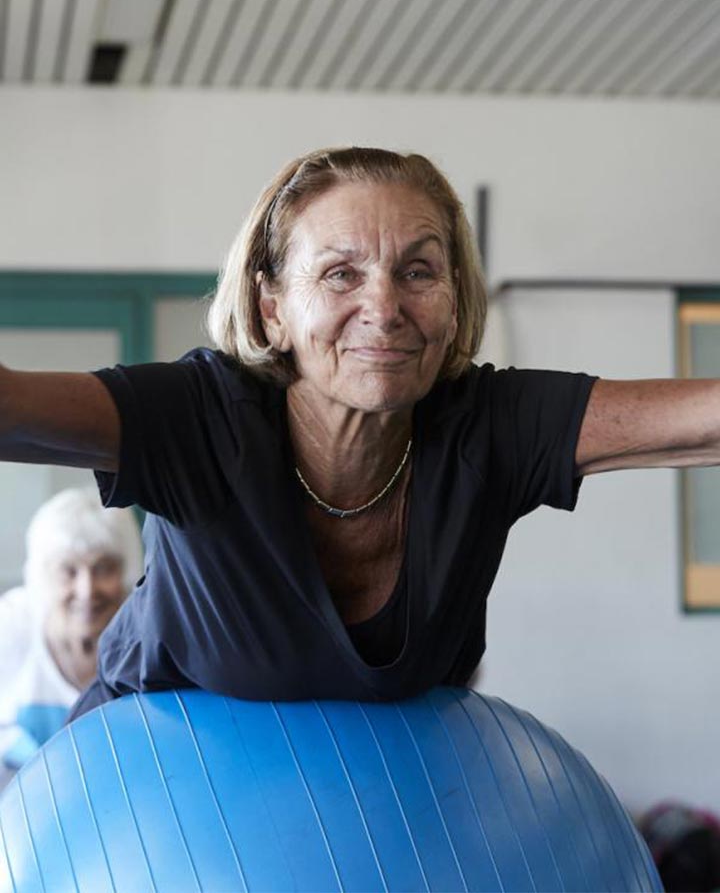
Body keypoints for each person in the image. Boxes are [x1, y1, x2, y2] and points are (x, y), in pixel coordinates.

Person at [0, 146, 718, 720]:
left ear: (456, 298)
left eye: (418, 271)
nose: (385, 306)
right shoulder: (200, 418)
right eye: (341, 274)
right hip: (142, 824)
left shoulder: (488, 425)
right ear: (272, 308)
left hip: (365, 827)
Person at [0, 488, 142, 788]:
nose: (87, 590)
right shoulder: (11, 627)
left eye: (104, 568)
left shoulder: (146, 638)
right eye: (68, 570)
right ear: (42, 575)